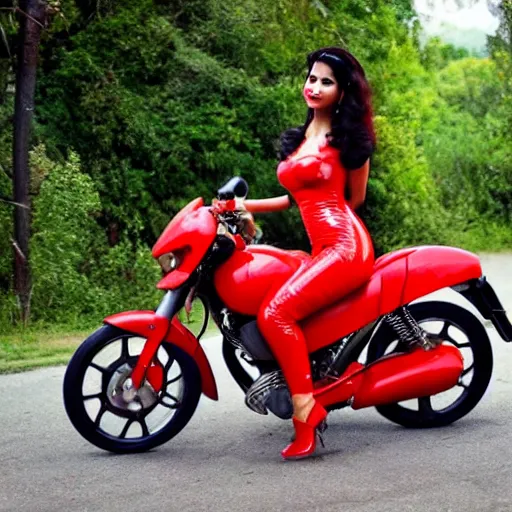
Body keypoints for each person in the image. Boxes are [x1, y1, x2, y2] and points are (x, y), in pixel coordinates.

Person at [243, 47, 376, 460]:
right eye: (312, 78)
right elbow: (292, 198)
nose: (314, 87)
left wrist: (330, 239)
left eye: (326, 82)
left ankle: (306, 410)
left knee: (275, 313)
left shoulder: (349, 142)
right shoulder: (301, 138)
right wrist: (240, 207)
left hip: (346, 247)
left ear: (343, 92)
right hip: (323, 247)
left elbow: (352, 200)